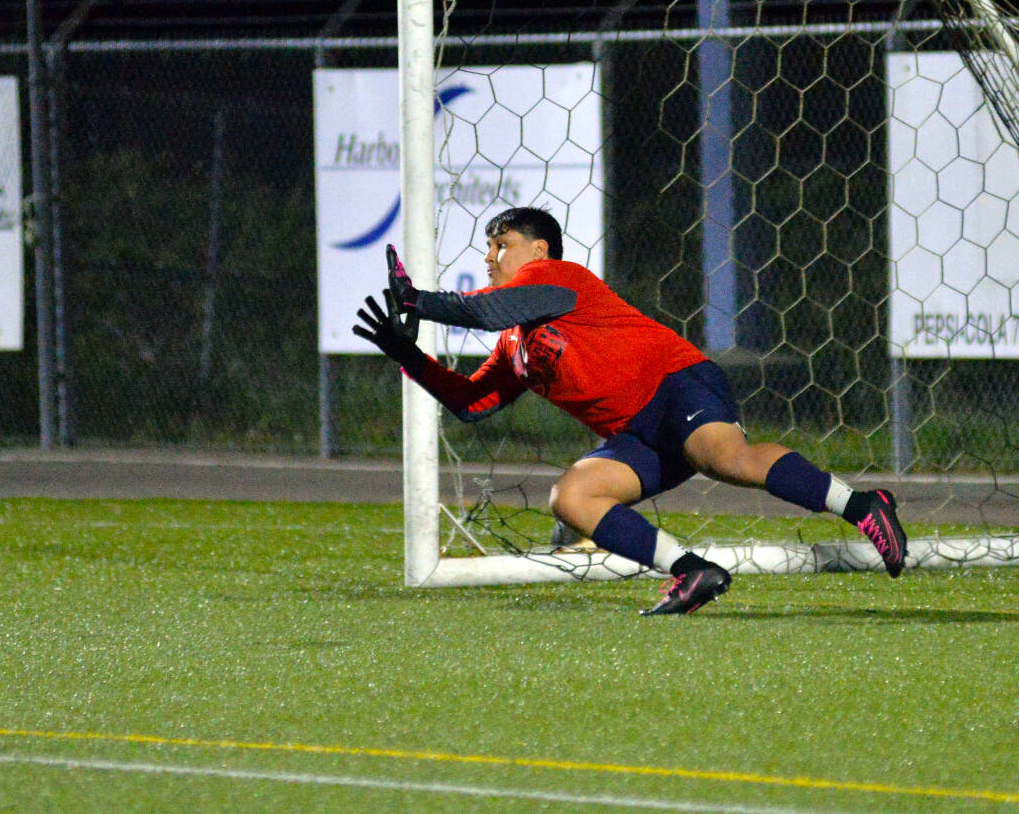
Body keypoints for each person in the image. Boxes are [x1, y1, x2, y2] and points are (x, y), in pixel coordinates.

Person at [352, 206, 907, 615]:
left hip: (675, 385)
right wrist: (408, 354)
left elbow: (493, 309)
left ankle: (862, 504)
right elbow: (472, 404)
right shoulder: (513, 346)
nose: (490, 256)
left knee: (724, 459)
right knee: (570, 497)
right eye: (489, 247)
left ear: (539, 251)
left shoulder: (556, 278)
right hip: (635, 435)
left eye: (503, 243)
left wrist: (416, 299)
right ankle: (693, 573)